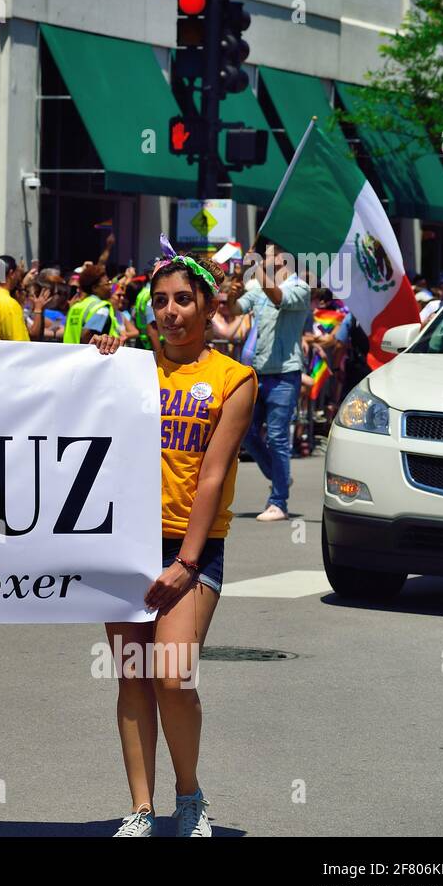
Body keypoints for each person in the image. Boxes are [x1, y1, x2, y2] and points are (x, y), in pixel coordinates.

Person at [89, 247, 257, 838]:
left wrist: (187, 563)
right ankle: (140, 808)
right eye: (159, 301)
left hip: (191, 547)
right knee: (132, 675)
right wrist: (103, 357)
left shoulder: (234, 379)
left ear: (209, 306)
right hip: (124, 542)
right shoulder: (132, 367)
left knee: (172, 675)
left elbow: (212, 474)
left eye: (184, 299)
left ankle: (189, 797)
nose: (171, 311)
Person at [234, 242, 310, 521]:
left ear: (281, 256)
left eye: (267, 252)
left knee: (278, 437)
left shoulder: (299, 287)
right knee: (246, 432)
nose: (263, 256)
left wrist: (253, 267)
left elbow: (278, 297)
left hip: (284, 375)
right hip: (257, 373)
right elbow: (235, 309)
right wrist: (231, 289)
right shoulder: (256, 288)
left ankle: (279, 501)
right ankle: (280, 477)